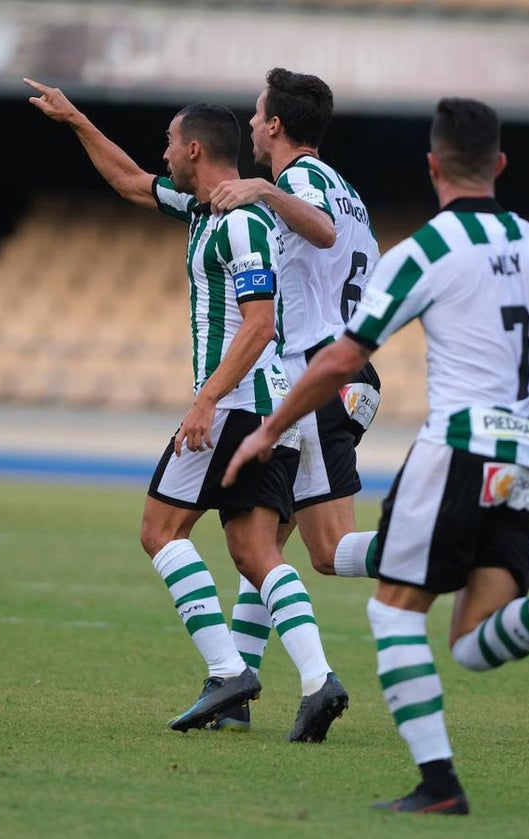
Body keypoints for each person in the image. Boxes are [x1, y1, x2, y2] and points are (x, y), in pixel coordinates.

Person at [223, 97, 529, 814]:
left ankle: (439, 786)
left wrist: (270, 428)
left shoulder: (427, 251)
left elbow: (342, 357)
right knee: (471, 641)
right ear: (500, 165)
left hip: (459, 450)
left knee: (394, 615)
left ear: (433, 167)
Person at [24, 78, 349, 742]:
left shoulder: (242, 221)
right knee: (254, 552)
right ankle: (319, 680)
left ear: (194, 149)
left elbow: (260, 324)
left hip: (237, 405)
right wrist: (76, 119)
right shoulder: (204, 210)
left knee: (159, 530)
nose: (164, 152)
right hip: (263, 408)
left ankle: (228, 672)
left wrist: (204, 400)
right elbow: (129, 181)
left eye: (170, 141)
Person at [205, 68, 383, 733]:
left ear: (276, 125)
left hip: (316, 375)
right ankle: (234, 691)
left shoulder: (301, 181)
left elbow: (323, 233)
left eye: (257, 116)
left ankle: (439, 545)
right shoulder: (347, 189)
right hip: (346, 374)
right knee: (264, 543)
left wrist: (263, 191)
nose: (251, 126)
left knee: (328, 550)